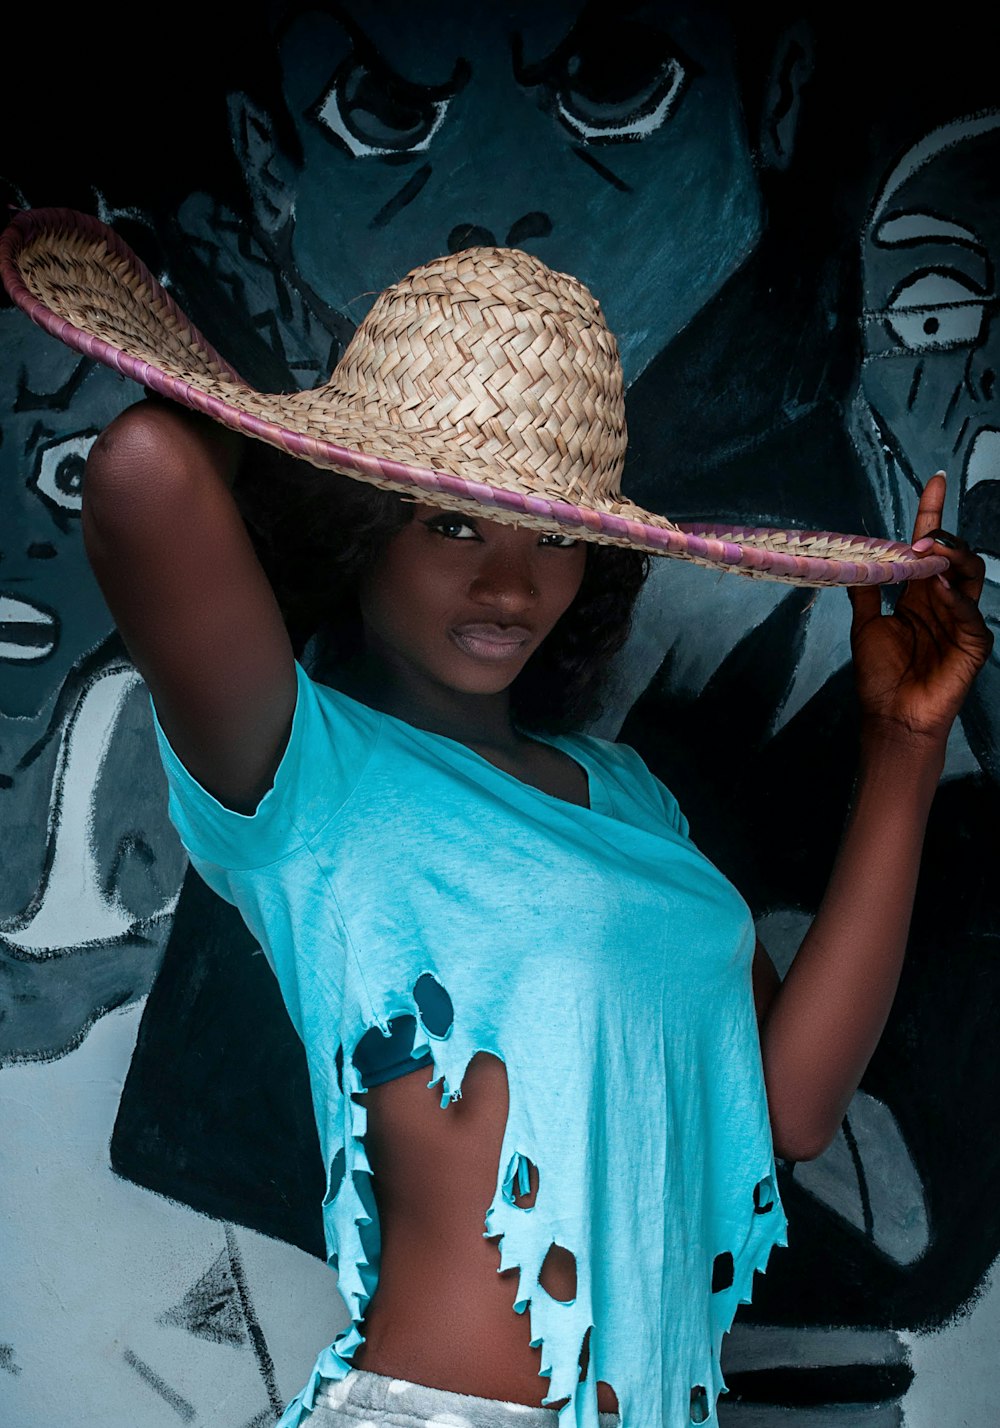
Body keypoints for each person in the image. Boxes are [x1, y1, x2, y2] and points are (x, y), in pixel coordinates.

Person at [1, 210, 990, 1428]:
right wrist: (324, 442)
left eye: (554, 534)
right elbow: (143, 473)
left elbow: (789, 1107)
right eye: (451, 521)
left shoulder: (628, 794)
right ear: (360, 522)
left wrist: (904, 744)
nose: (510, 584)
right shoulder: (307, 776)